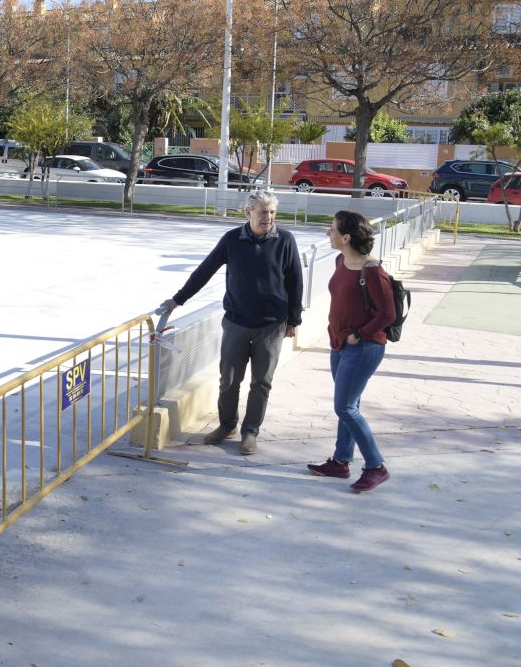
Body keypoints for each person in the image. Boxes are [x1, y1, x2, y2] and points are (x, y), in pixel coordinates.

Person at [162, 189, 302, 456]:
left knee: (261, 382)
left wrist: (294, 319)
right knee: (228, 380)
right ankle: (227, 425)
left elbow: (295, 281)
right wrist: (178, 300)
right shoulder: (232, 239)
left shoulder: (285, 240)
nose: (269, 217)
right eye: (263, 212)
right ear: (248, 212)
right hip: (236, 322)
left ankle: (250, 432)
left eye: (272, 212)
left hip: (271, 326)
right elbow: (204, 271)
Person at [307, 210, 393, 492]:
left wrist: (359, 335)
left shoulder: (372, 270)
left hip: (363, 348)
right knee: (348, 406)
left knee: (344, 407)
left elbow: (387, 314)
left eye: (332, 229)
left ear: (346, 237)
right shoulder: (340, 260)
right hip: (340, 344)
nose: (328, 233)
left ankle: (376, 466)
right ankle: (341, 461)